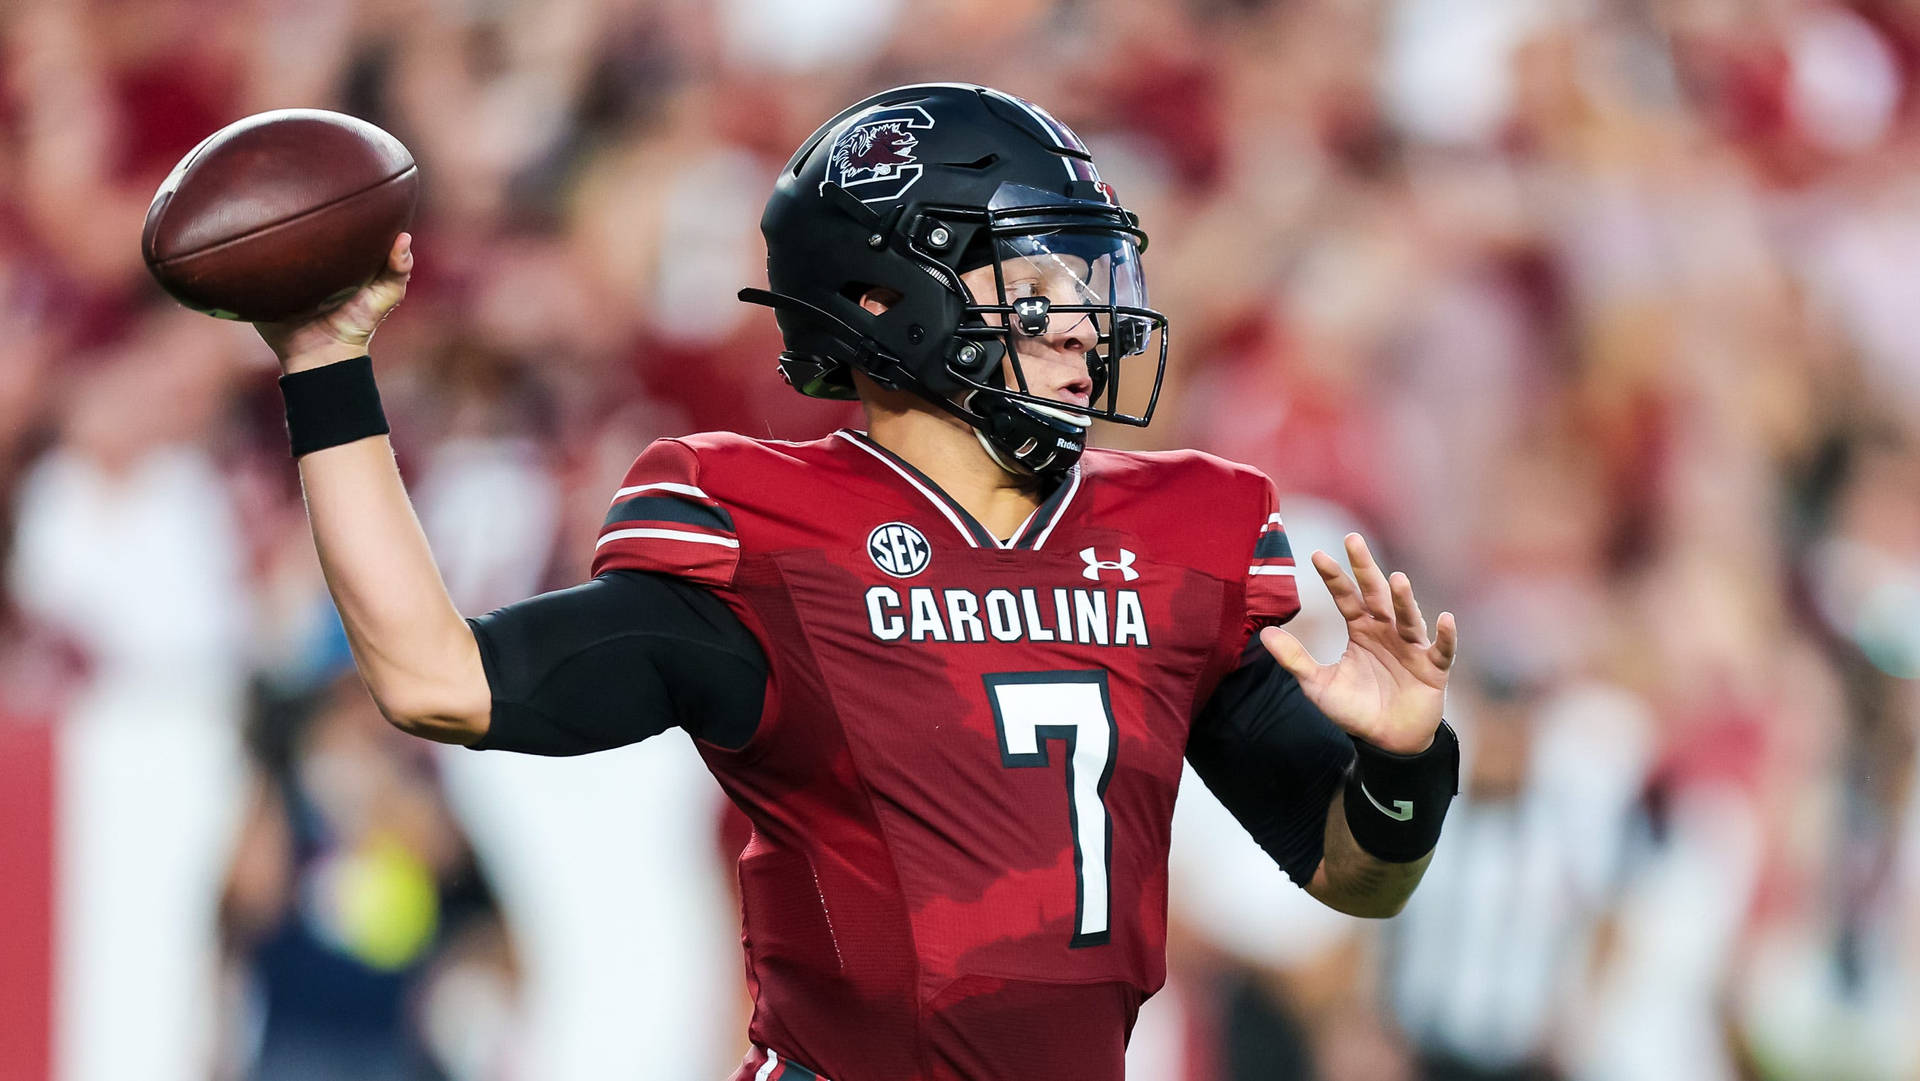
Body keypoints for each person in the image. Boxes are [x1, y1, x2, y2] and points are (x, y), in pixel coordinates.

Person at [252, 83, 1462, 1081]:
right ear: (891, 300)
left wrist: (1408, 763)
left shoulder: (1169, 536)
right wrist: (326, 360)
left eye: (1090, 281)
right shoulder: (776, 535)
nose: (1090, 324)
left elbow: (1357, 879)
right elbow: (438, 678)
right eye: (1040, 286)